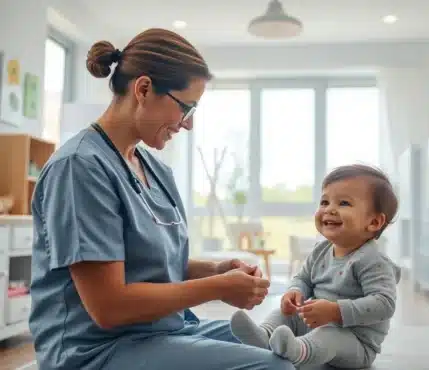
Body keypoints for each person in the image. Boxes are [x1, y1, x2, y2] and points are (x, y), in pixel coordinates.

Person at [28, 28, 295, 370]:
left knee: (286, 344)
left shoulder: (153, 168)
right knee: (275, 368)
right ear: (143, 89)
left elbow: (150, 265)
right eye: (186, 108)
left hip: (162, 331)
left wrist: (215, 270)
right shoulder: (80, 168)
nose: (188, 125)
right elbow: (109, 306)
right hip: (95, 352)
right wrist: (216, 287)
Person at [230, 164, 402, 369]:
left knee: (329, 334)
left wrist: (336, 311)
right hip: (314, 324)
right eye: (324, 201)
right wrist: (295, 292)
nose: (329, 209)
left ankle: (298, 352)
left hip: (354, 342)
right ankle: (265, 336)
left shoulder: (373, 261)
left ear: (373, 222)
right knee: (286, 315)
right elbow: (303, 278)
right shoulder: (321, 250)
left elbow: (384, 304)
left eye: (344, 203)